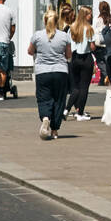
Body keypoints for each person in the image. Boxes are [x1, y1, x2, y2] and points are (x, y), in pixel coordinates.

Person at [29, 8, 72, 140]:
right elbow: (68, 55)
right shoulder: (64, 36)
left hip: (42, 72)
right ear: (57, 20)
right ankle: (54, 130)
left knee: (43, 98)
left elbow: (30, 51)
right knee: (59, 100)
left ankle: (46, 117)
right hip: (60, 72)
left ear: (44, 20)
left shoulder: (37, 35)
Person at [66, 7, 96, 120]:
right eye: (89, 14)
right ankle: (80, 113)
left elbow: (68, 44)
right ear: (85, 15)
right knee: (84, 87)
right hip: (86, 58)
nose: (91, 16)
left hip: (74, 58)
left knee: (76, 86)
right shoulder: (88, 28)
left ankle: (68, 109)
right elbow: (92, 47)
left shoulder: (72, 28)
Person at [94, 1, 111, 86]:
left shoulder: (97, 18)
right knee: (107, 61)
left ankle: (107, 76)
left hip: (98, 43)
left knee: (100, 62)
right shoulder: (110, 18)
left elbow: (93, 30)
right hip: (107, 42)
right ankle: (102, 80)